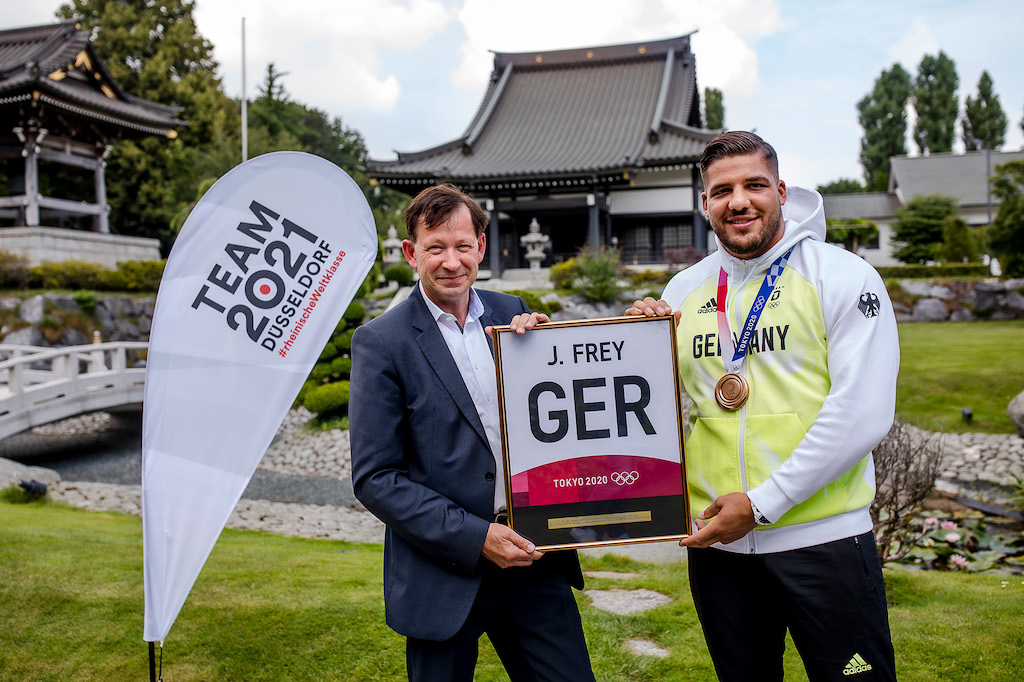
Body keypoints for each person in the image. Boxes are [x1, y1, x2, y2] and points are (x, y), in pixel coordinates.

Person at [628, 131, 899, 681]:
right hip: (720, 551)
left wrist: (763, 502)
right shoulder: (682, 290)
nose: (739, 201)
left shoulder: (842, 276)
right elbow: (651, 414)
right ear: (705, 203)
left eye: (754, 185)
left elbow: (860, 414)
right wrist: (633, 346)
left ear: (780, 190)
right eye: (722, 190)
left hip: (823, 542)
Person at [349, 184, 594, 681]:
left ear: (481, 246)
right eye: (435, 248)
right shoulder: (382, 341)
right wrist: (477, 536)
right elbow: (376, 478)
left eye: (462, 246)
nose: (451, 261)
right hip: (443, 569)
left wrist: (549, 354)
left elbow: (555, 420)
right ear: (411, 253)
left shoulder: (512, 315)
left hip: (535, 554)